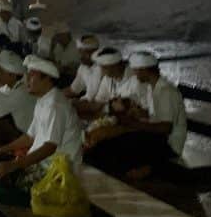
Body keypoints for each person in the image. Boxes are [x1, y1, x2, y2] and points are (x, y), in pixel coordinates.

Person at [0, 56, 83, 197]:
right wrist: (1, 151)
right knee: (0, 171)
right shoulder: (43, 99)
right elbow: (30, 137)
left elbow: (50, 147)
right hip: (41, 164)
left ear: (47, 79)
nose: (27, 80)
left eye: (32, 76)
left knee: (2, 191)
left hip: (57, 171)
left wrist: (14, 165)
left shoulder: (55, 105)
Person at [84, 51, 187, 179]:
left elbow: (166, 128)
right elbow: (155, 115)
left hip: (168, 144)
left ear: (144, 70)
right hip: (156, 137)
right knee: (107, 144)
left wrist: (132, 125)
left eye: (136, 70)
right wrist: (140, 113)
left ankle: (150, 169)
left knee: (112, 148)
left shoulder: (166, 91)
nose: (134, 74)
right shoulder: (151, 87)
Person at [73, 47, 134, 119]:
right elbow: (97, 103)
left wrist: (106, 106)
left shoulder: (133, 77)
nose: (102, 72)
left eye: (104, 68)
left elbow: (123, 107)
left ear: (114, 66)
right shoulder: (107, 79)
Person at [64, 34, 101, 100]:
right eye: (80, 53)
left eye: (85, 53)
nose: (81, 57)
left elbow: (91, 97)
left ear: (95, 52)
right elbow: (73, 90)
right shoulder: (83, 67)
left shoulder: (102, 68)